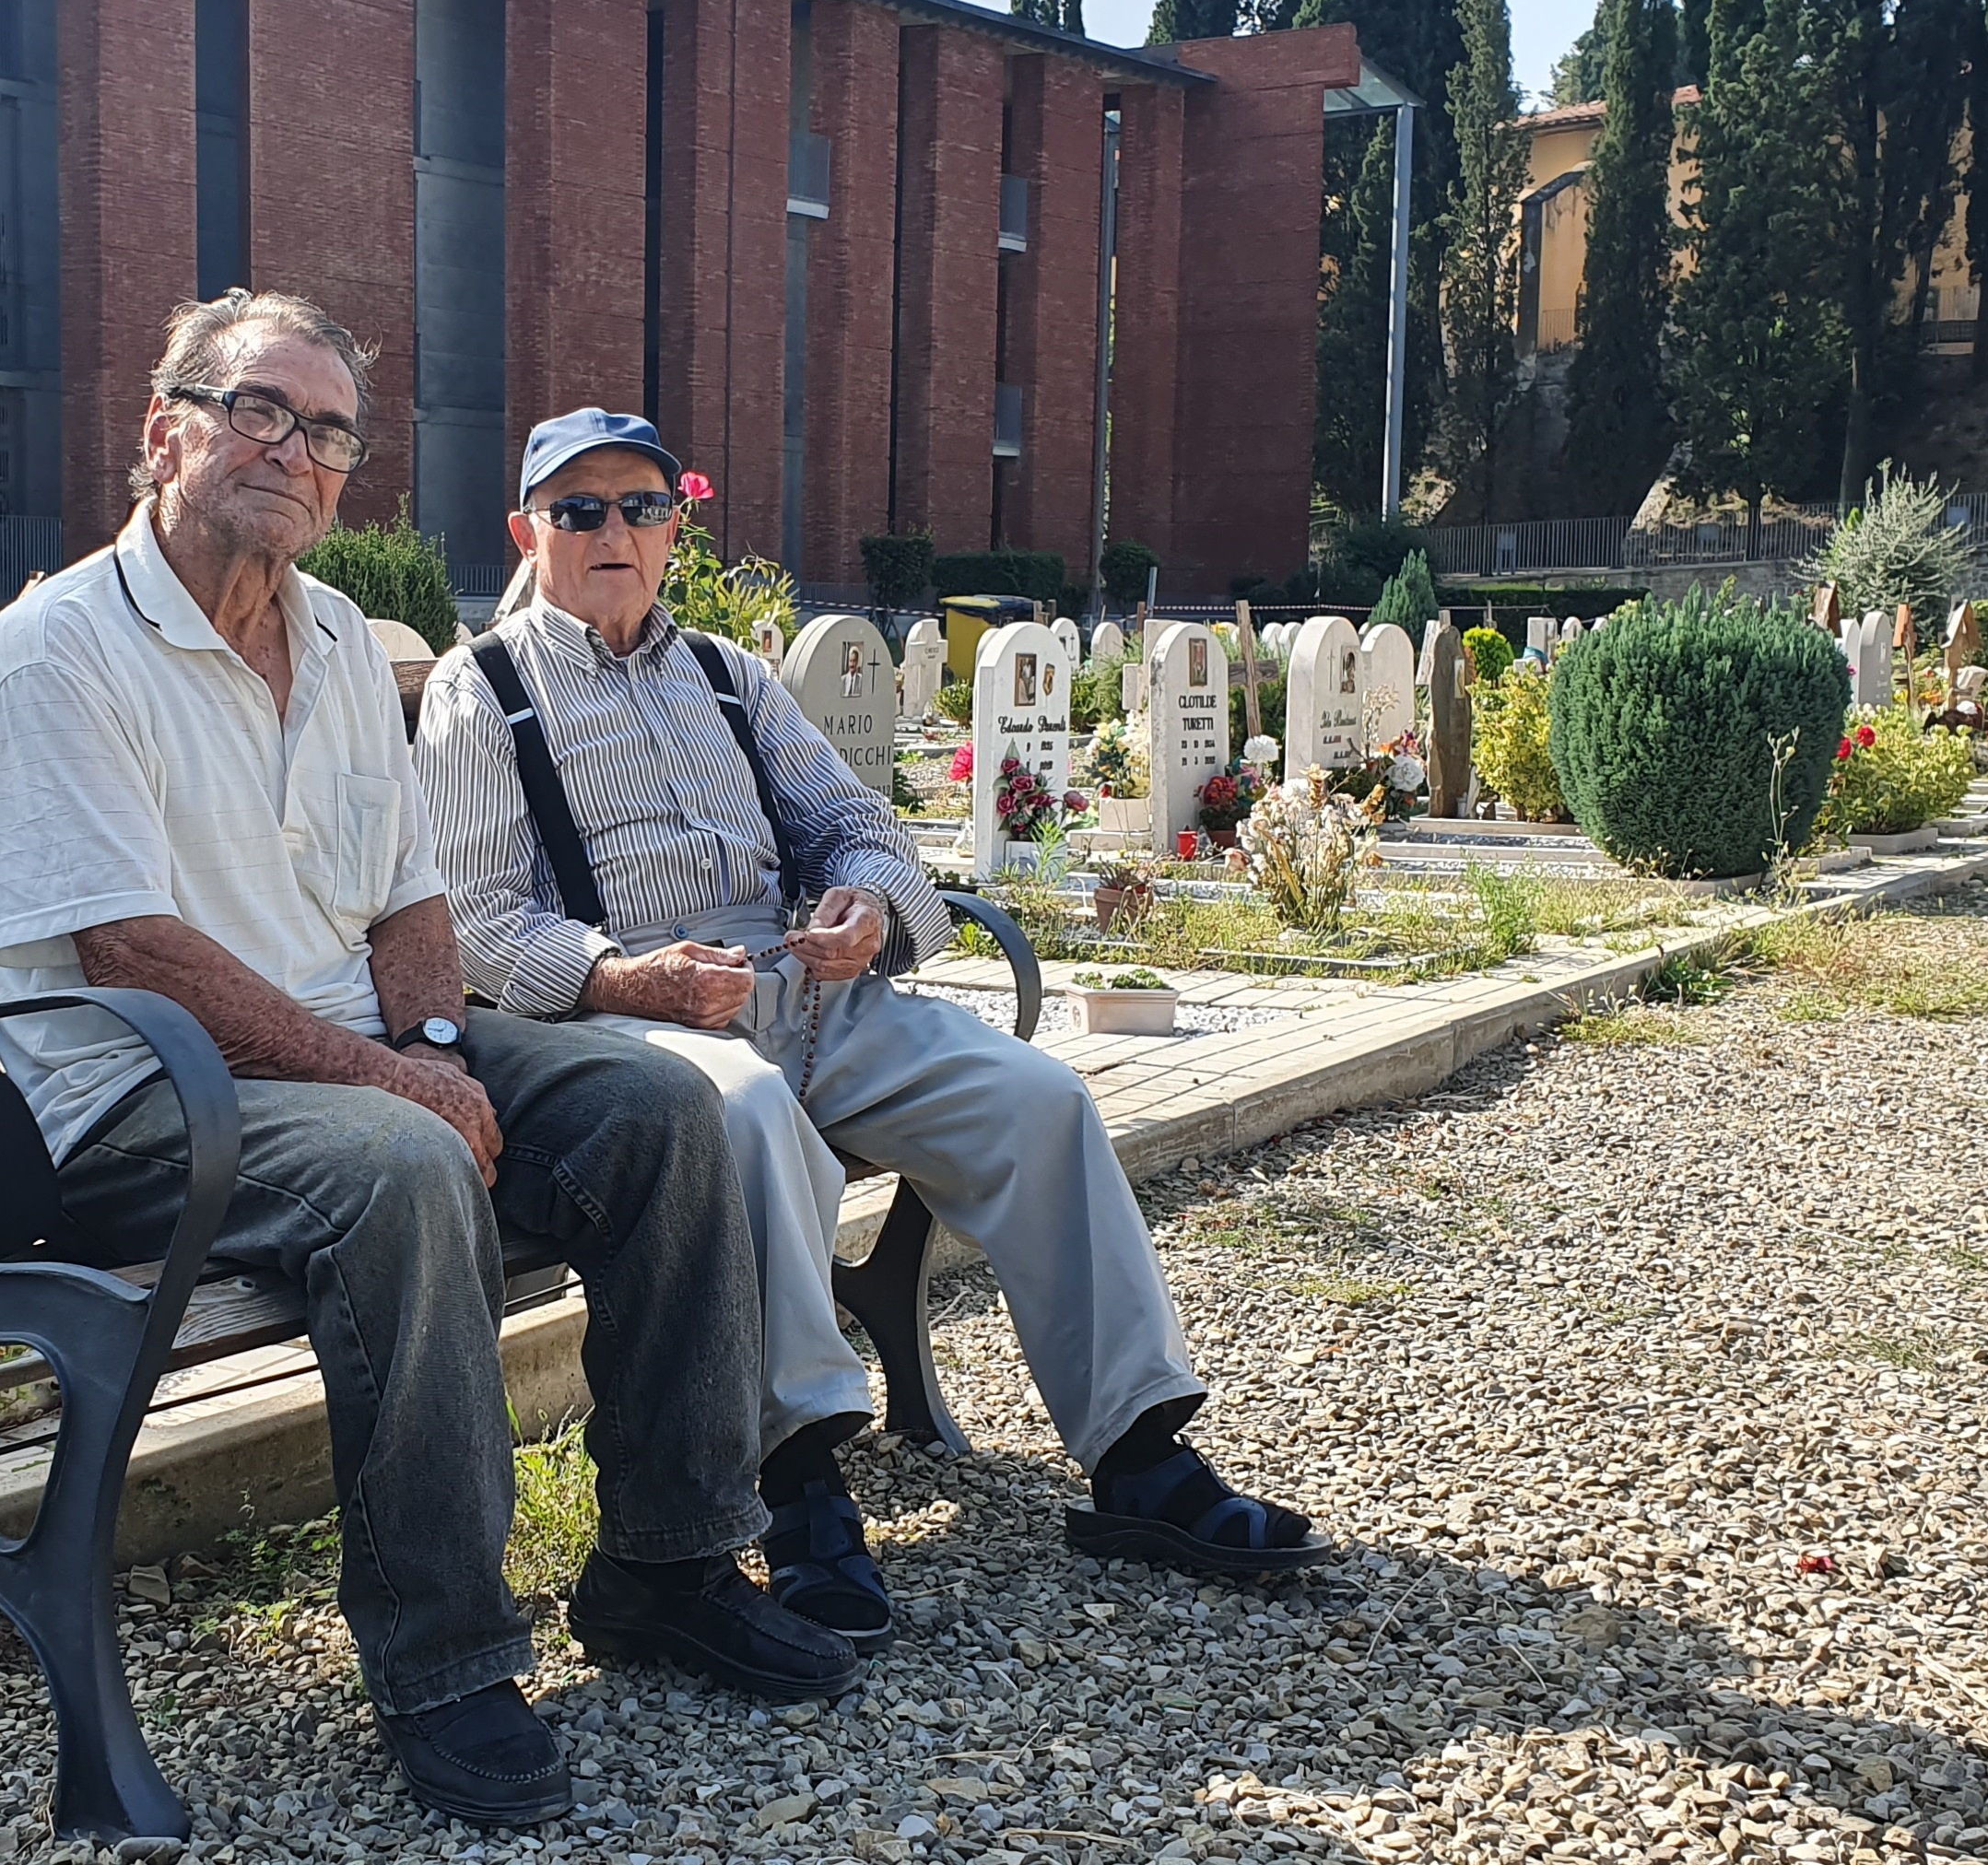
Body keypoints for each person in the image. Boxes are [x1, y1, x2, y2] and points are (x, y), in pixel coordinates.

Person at [0, 308, 855, 1827]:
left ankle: (667, 1560)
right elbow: (128, 952)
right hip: (142, 1087)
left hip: (344, 1046)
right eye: (257, 410)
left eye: (325, 432)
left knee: (664, 1105)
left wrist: (436, 1042)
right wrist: (397, 1085)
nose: (292, 452)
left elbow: (410, 895)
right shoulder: (65, 646)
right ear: (166, 425)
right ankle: (444, 1661)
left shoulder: (331, 635)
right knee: (406, 1166)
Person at [415, 409, 1337, 1653]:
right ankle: (798, 1487)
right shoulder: (487, 689)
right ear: (529, 531)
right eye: (576, 511)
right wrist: (625, 979)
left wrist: (865, 910)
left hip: (813, 997)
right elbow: (470, 921)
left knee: (1036, 1101)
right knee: (738, 1120)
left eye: (637, 506)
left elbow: (860, 829)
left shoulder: (730, 677)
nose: (611, 533)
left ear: (674, 528)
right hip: (627, 1026)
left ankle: (1139, 1455)